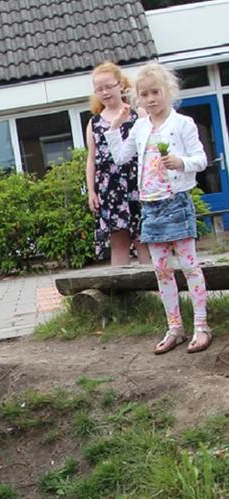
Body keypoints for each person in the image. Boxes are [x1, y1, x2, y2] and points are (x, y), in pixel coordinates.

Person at [106, 63, 210, 355]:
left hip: (176, 202)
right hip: (149, 206)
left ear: (168, 92)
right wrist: (115, 129)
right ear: (138, 98)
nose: (151, 99)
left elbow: (201, 159)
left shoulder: (182, 124)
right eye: (144, 94)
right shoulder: (140, 127)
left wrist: (181, 163)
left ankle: (201, 325)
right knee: (162, 270)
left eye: (156, 92)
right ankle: (174, 326)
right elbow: (121, 157)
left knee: (189, 267)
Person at [86, 61, 151, 266]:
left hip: (137, 183)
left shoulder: (138, 115)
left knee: (143, 238)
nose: (105, 92)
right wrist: (91, 191)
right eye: (99, 89)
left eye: (109, 86)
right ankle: (120, 295)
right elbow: (91, 159)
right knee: (119, 241)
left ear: (120, 85)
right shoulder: (94, 123)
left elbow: (150, 149)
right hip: (109, 188)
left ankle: (156, 289)